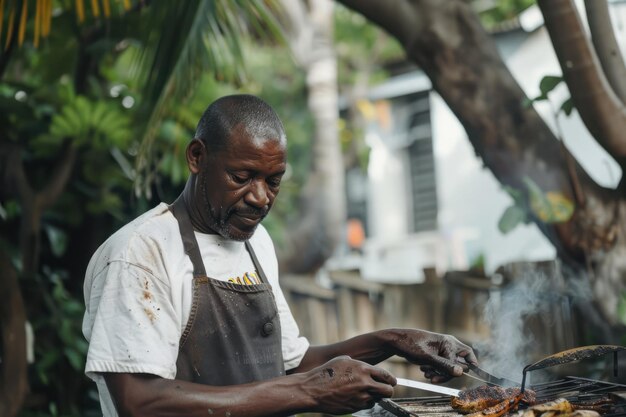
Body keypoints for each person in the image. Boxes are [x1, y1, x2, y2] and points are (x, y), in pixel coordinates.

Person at [82, 94, 477, 417]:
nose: (260, 198)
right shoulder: (141, 254)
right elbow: (140, 402)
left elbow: (292, 364)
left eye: (273, 181)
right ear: (197, 157)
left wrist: (394, 340)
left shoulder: (256, 242)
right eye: (241, 177)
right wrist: (309, 391)